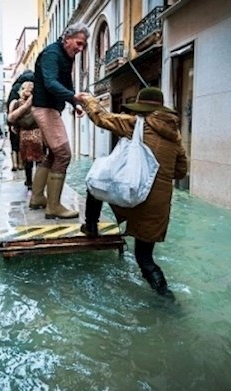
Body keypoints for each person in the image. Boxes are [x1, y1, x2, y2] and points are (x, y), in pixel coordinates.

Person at [74, 87, 188, 297]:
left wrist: (87, 99)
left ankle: (91, 226)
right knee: (145, 259)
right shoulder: (175, 136)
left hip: (132, 193)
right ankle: (167, 298)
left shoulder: (136, 124)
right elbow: (181, 172)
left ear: (141, 108)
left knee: (95, 185)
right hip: (158, 204)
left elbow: (102, 118)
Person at [31, 23, 89, 219]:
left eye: (83, 45)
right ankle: (53, 206)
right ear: (67, 38)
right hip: (45, 109)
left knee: (52, 155)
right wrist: (73, 98)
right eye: (79, 43)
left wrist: (74, 104)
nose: (80, 49)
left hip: (49, 108)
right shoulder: (52, 54)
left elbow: (66, 83)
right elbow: (50, 82)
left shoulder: (65, 56)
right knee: (63, 154)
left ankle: (38, 198)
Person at [7, 80, 45, 193]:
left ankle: (29, 182)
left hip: (24, 134)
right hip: (38, 133)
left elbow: (11, 119)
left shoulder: (16, 103)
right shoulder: (38, 101)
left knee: (27, 160)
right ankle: (37, 182)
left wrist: (14, 127)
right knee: (39, 160)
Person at [7, 70, 35, 171]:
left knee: (15, 144)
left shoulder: (15, 88)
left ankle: (15, 164)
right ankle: (23, 165)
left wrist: (10, 123)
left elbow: (10, 104)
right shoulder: (34, 85)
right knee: (29, 147)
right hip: (33, 123)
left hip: (17, 121)